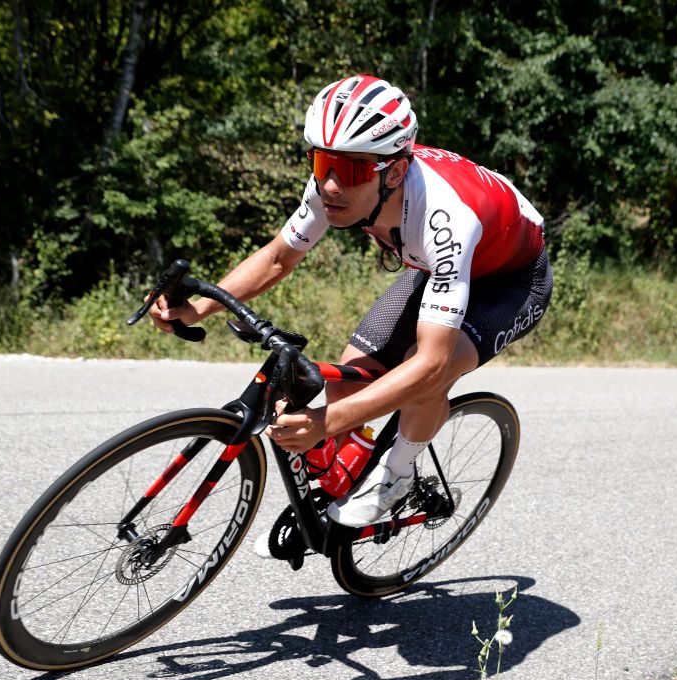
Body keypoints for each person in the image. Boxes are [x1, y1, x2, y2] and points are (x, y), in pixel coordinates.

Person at [150, 74, 552, 526]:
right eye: (322, 163)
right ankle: (349, 477)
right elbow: (279, 258)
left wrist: (326, 423)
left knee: (427, 370)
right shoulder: (331, 185)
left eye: (354, 168)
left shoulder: (446, 219)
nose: (333, 186)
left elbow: (431, 365)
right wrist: (198, 307)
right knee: (347, 378)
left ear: (395, 171)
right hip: (439, 270)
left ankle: (397, 473)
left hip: (512, 279)